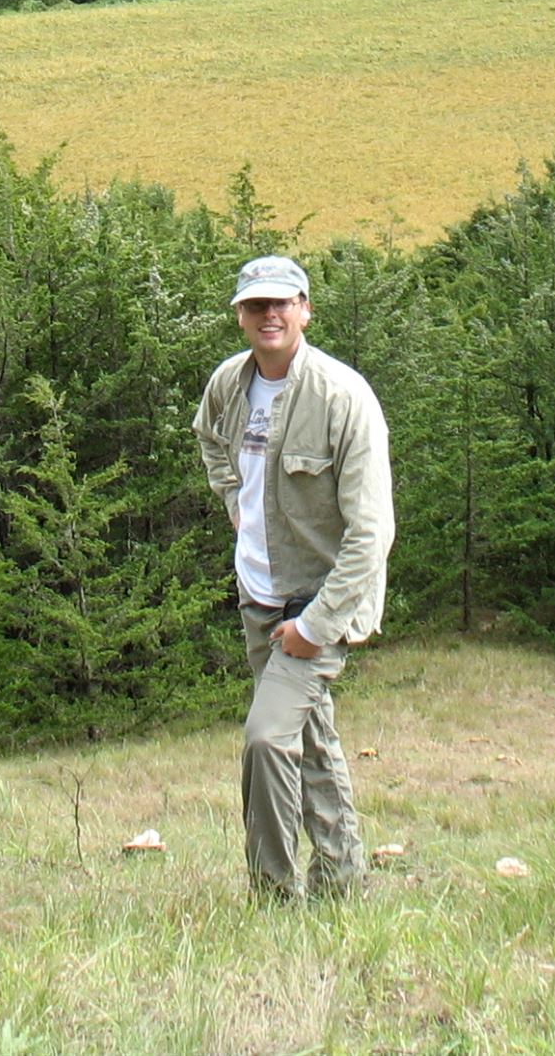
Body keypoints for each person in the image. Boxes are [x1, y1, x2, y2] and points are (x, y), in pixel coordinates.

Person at [194, 253, 395, 899]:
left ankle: (275, 896)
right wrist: (235, 503)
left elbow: (371, 533)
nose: (270, 314)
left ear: (306, 308)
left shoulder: (343, 397)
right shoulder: (229, 385)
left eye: (283, 302)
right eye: (256, 305)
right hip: (259, 594)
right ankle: (341, 880)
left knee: (266, 738)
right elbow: (210, 442)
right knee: (309, 736)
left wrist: (315, 625)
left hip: (320, 601)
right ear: (241, 317)